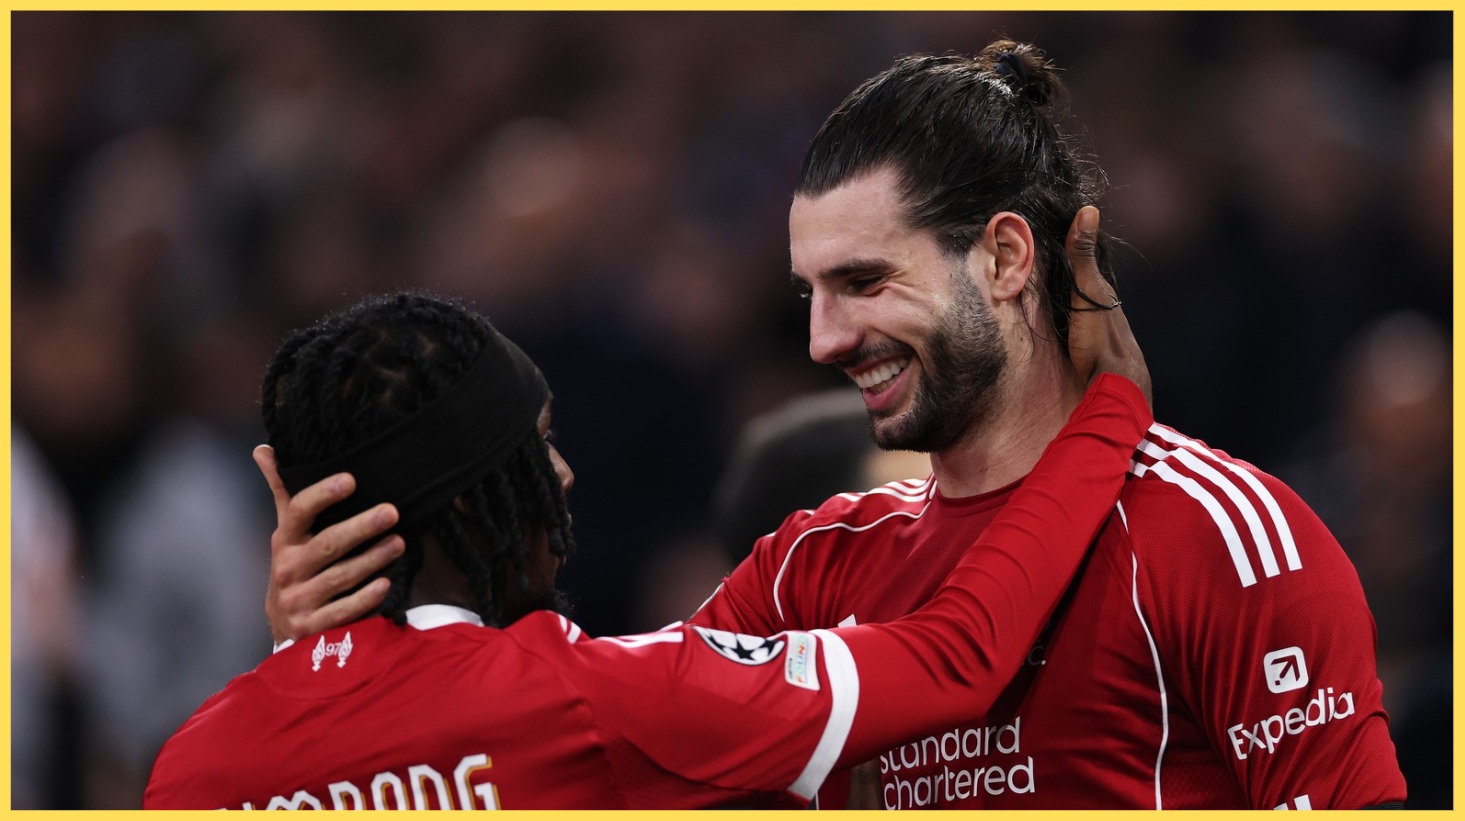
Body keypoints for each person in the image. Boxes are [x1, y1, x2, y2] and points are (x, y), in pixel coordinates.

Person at [260, 41, 1406, 810]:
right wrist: (348, 652)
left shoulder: (1226, 533)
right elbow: (576, 742)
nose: (820, 339)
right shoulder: (813, 565)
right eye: (808, 291)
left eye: (862, 282)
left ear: (1004, 258)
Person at [143, 267, 1152, 809]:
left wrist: (289, 654)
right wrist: (1105, 416)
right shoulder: (588, 702)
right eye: (537, 447)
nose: (566, 475)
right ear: (468, 503)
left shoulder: (191, 767)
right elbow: (957, 658)